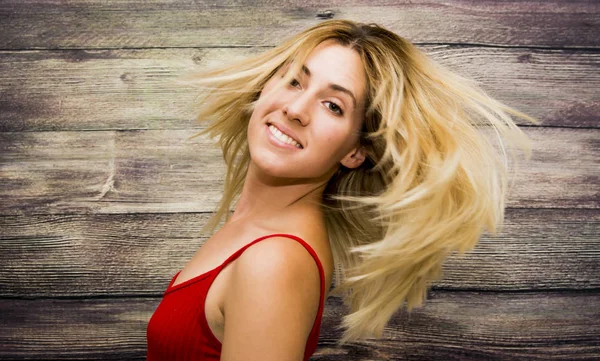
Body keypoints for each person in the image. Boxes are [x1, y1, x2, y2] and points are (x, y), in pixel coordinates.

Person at [146, 19, 539, 360]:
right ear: (266, 86)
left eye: (333, 105)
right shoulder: (254, 229)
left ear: (355, 151)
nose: (297, 109)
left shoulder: (274, 260)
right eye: (295, 79)